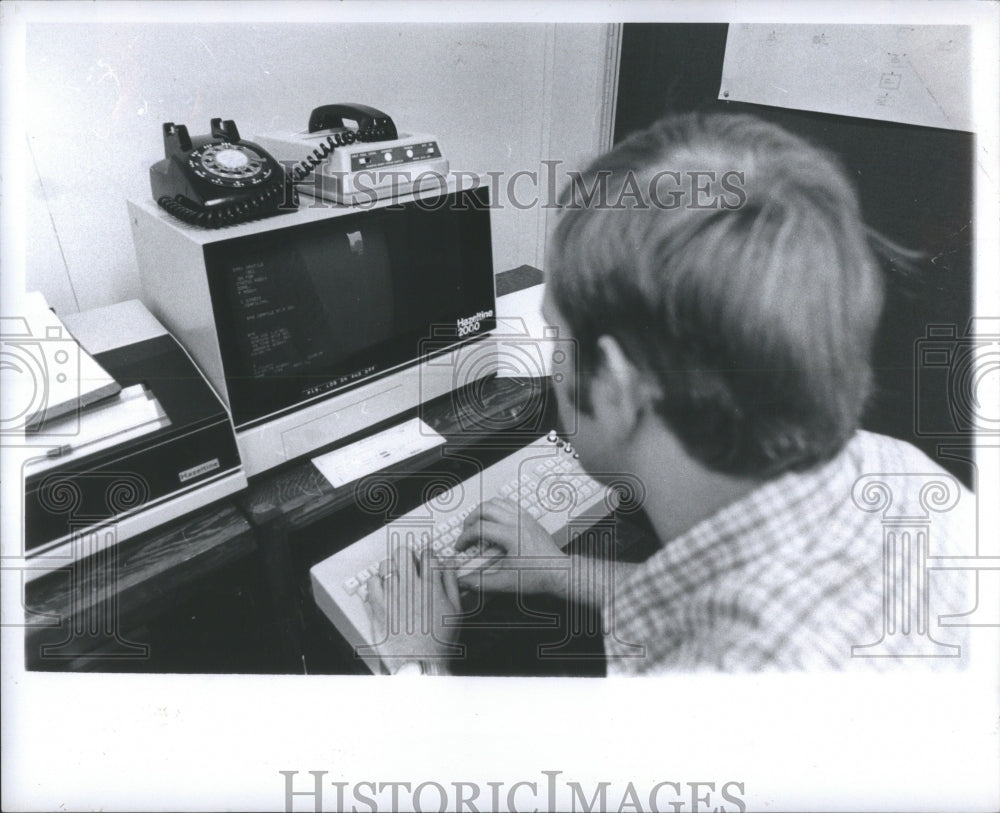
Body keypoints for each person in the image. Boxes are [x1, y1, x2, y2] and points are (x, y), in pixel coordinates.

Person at [361, 112, 974, 675]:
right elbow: (708, 592)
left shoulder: (726, 687)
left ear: (620, 386)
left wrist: (420, 668)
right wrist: (561, 572)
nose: (549, 363)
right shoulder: (904, 474)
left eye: (556, 334)